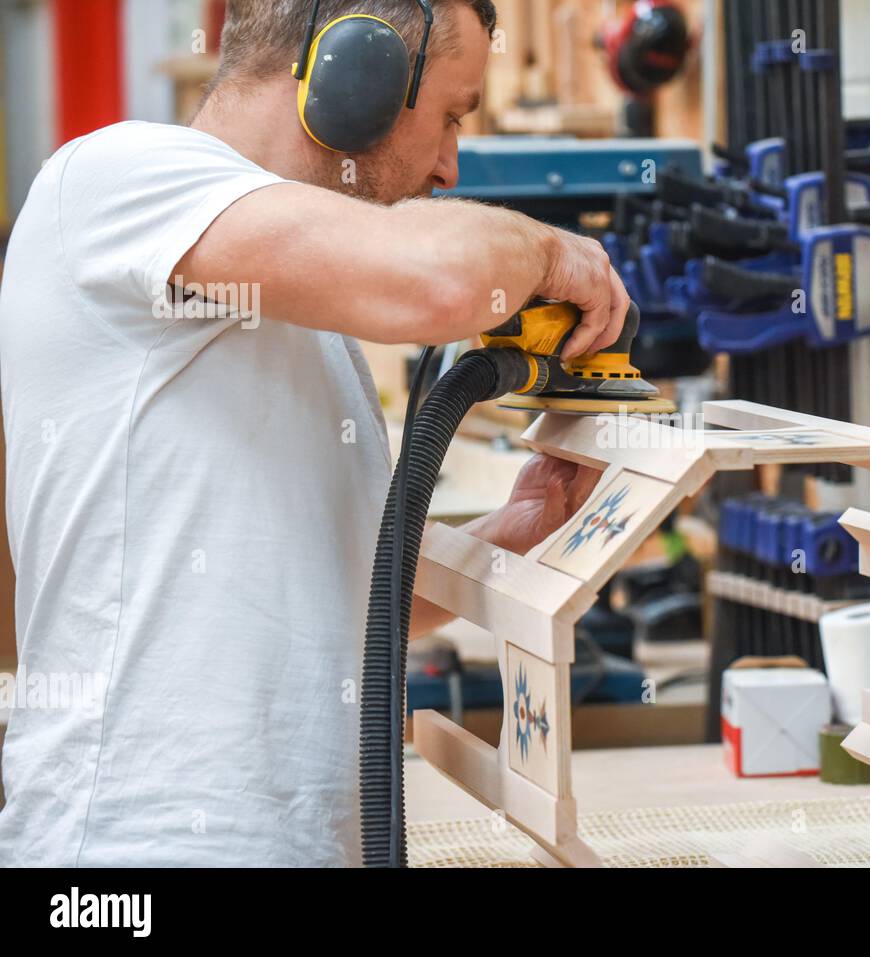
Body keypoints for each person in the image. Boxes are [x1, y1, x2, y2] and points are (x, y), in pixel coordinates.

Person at [0, 0, 628, 866]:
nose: (449, 162)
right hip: (132, 851)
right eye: (448, 114)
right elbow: (439, 282)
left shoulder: (299, 320)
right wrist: (558, 254)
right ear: (354, 71)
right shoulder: (117, 178)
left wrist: (511, 535)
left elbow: (344, 603)